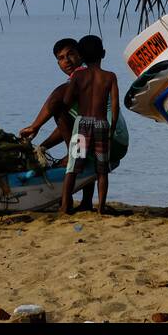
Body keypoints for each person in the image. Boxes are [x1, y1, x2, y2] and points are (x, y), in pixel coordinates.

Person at [18, 38, 97, 210]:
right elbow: (68, 125)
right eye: (61, 58)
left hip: (96, 138)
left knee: (60, 109)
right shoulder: (85, 77)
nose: (66, 61)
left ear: (80, 55)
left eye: (70, 55)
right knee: (68, 117)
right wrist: (43, 146)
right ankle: (86, 202)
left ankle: (68, 200)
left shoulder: (82, 76)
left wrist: (35, 126)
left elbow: (56, 98)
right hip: (92, 138)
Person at [60, 35, 120, 215]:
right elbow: (115, 105)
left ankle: (65, 206)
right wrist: (112, 127)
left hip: (83, 123)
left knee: (72, 167)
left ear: (81, 57)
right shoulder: (110, 76)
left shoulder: (78, 75)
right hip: (102, 124)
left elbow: (67, 100)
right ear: (103, 53)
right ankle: (101, 207)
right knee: (102, 170)